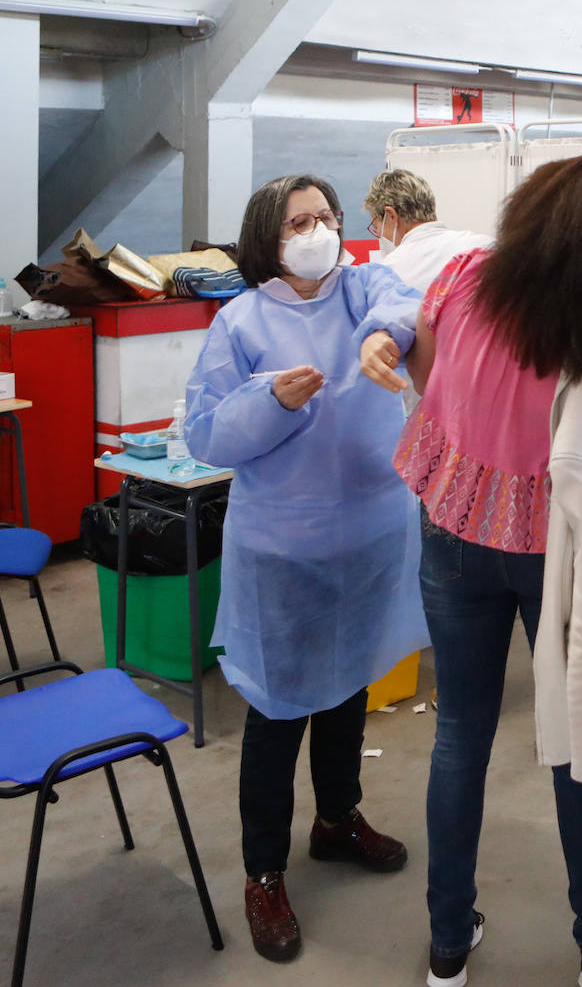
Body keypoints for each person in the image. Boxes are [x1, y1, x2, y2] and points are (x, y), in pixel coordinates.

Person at [380, 155, 582, 987]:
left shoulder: (469, 274)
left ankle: (447, 943)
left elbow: (428, 375)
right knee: (576, 729)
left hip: (452, 523)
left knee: (458, 738)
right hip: (561, 548)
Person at [184, 174, 430, 963]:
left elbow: (405, 303)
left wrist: (381, 336)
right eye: (300, 220)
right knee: (279, 706)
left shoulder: (363, 289)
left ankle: (336, 819)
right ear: (270, 235)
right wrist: (273, 403)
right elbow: (208, 434)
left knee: (349, 685)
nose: (318, 229)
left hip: (367, 532)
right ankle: (263, 871)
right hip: (285, 547)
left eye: (326, 216)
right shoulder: (241, 320)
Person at [365, 168, 492, 414]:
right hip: (490, 404)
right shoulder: (486, 246)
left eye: (375, 225)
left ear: (390, 216)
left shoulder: (386, 273)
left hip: (427, 410)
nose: (379, 234)